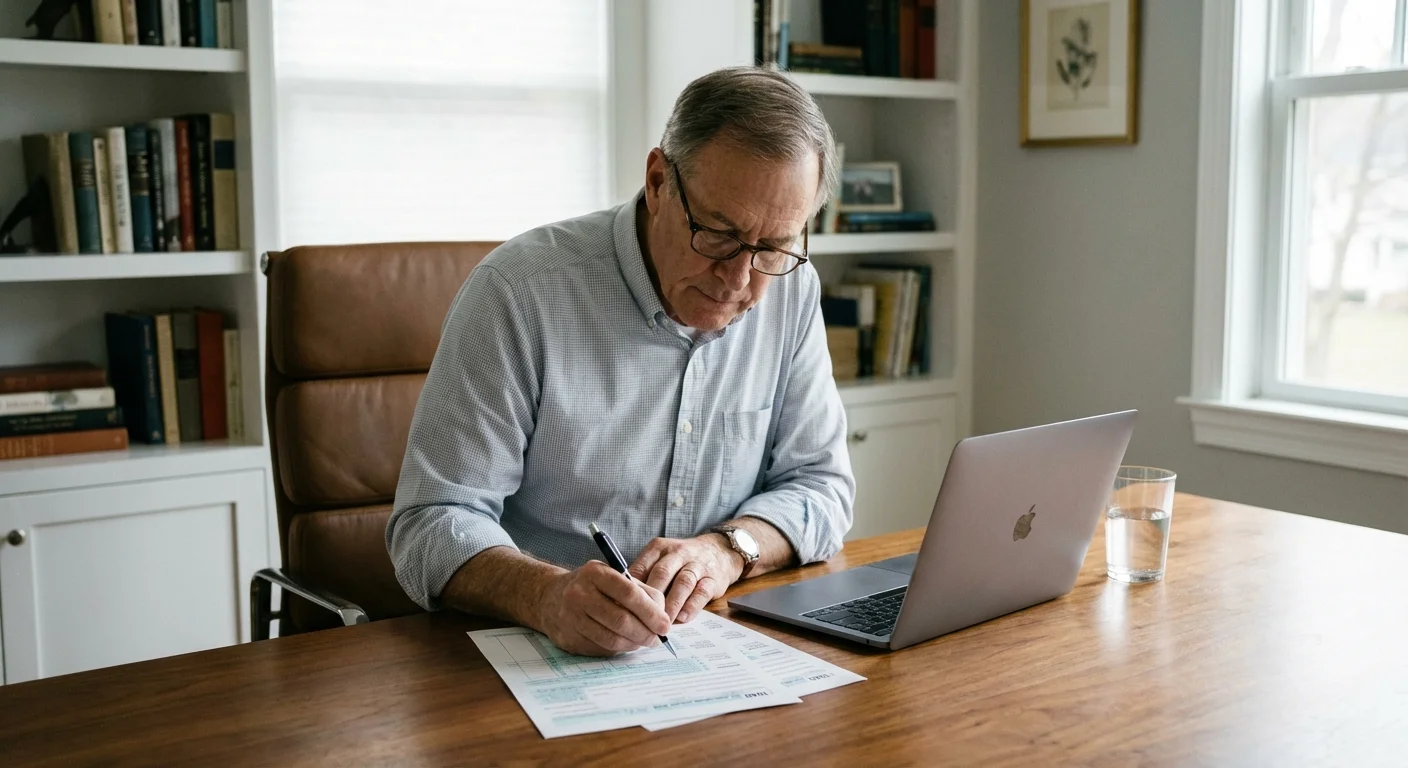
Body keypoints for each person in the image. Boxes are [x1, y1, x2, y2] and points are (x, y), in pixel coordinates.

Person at [386, 66, 855, 657]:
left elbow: (821, 486)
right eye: (717, 233)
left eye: (773, 246)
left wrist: (726, 549)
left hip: (717, 650)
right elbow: (430, 521)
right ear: (659, 181)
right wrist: (546, 596)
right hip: (523, 658)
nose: (740, 279)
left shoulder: (792, 289)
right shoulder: (520, 291)